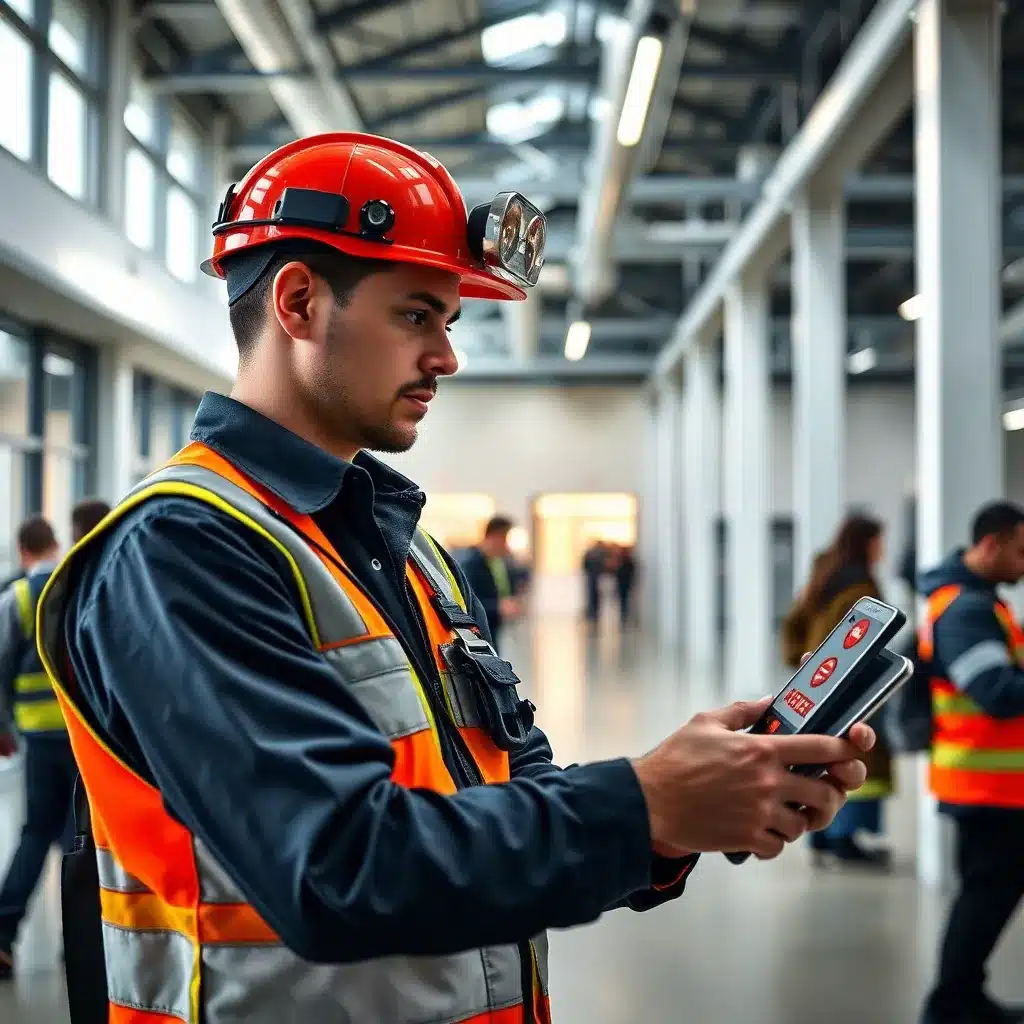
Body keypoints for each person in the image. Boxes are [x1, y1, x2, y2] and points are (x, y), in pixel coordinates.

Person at [33, 133, 873, 1023]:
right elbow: (337, 868)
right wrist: (642, 800)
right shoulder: (182, 551)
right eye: (416, 315)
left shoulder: (406, 550)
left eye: (448, 321)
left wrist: (683, 806)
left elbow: (500, 795)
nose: (448, 355)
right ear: (299, 300)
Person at [919, 502, 1024, 1024]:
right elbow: (995, 692)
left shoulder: (980, 601)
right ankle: (951, 1005)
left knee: (989, 895)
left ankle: (962, 997)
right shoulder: (964, 609)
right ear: (992, 544)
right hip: (985, 784)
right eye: (1021, 550)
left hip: (993, 781)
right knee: (985, 897)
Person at [0, 500, 110, 979]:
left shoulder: (19, 597)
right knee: (80, 838)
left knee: (34, 832)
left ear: (24, 550)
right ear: (56, 543)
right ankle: (83, 942)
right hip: (85, 734)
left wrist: (3, 726)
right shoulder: (92, 584)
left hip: (39, 737)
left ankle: (2, 937)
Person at [781, 514, 894, 866]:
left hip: (819, 677)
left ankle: (824, 837)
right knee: (855, 755)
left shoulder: (825, 574)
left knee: (826, 754)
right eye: (878, 541)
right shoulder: (861, 588)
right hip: (846, 683)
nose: (882, 549)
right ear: (866, 542)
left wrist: (801, 663)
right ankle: (844, 838)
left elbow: (793, 620)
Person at [456, 515, 521, 649]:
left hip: (493, 629)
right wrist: (498, 607)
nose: (507, 546)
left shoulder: (499, 562)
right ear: (495, 537)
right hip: (478, 635)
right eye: (505, 539)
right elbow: (466, 602)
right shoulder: (471, 563)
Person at [582, 540, 607, 625]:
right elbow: (585, 565)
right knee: (591, 597)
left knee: (596, 597)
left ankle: (594, 614)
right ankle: (591, 614)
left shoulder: (601, 554)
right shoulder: (592, 554)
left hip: (597, 578)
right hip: (592, 578)